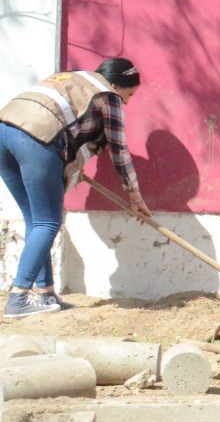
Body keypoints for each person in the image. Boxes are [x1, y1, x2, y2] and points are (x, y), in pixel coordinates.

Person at [0, 59, 150, 318]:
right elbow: (119, 151)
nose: (126, 102)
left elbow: (67, 131)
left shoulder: (71, 79)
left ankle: (46, 294)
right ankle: (18, 297)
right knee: (48, 222)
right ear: (117, 85)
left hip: (4, 132)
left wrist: (69, 170)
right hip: (37, 140)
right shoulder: (108, 95)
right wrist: (135, 197)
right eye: (129, 94)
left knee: (36, 221)